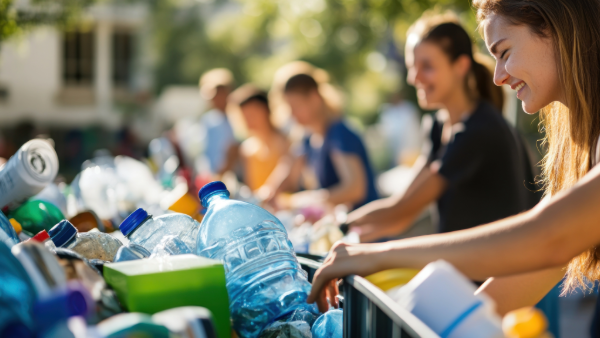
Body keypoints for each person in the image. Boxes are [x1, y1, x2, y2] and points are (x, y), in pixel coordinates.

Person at [308, 0, 600, 323]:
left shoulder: (479, 129)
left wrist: (374, 255)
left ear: (554, 28)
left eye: (504, 53)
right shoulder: (440, 128)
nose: (499, 77)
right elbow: (533, 271)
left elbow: (548, 238)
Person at [338, 14, 539, 244]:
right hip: (458, 268)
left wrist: (342, 226)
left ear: (460, 66)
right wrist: (346, 234)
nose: (414, 78)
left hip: (494, 273)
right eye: (412, 67)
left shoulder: (479, 130)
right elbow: (402, 212)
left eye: (427, 66)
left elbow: (402, 210)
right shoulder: (437, 126)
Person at [271, 73, 378, 210]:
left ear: (314, 98)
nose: (292, 114)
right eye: (289, 108)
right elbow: (288, 171)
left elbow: (355, 190)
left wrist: (301, 201)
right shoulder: (308, 139)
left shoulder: (339, 133)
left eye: (296, 106)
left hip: (365, 223)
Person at [228, 84, 290, 193]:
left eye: (253, 114)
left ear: (267, 110)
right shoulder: (246, 148)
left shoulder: (287, 141)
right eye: (244, 116)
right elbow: (252, 188)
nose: (249, 120)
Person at [198, 68, 239, 177]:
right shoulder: (208, 120)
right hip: (214, 177)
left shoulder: (239, 117)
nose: (214, 99)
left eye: (218, 93)